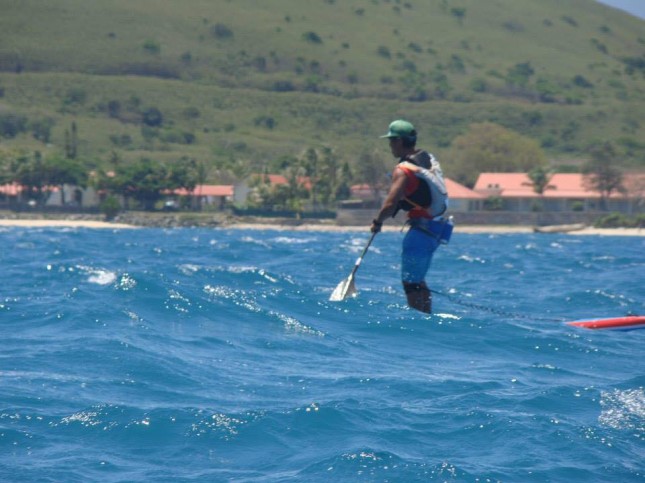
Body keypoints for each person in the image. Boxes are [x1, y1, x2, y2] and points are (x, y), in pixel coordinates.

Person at [370, 119, 449, 313]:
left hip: (420, 233)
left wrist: (377, 222)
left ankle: (419, 322)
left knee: (411, 283)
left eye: (391, 142)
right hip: (436, 230)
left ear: (399, 142)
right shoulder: (427, 159)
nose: (390, 147)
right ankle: (426, 318)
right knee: (418, 281)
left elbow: (390, 203)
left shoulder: (404, 170)